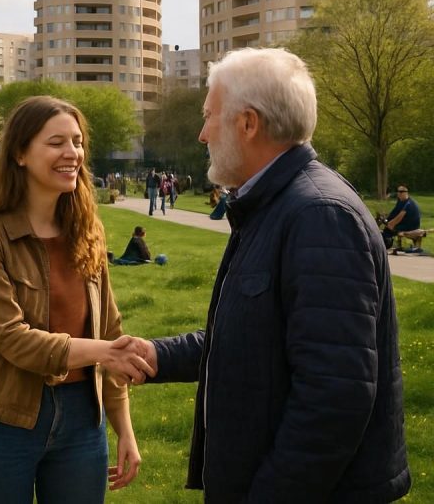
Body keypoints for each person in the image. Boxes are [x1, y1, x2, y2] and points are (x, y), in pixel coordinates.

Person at [129, 48, 410, 501]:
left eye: (209, 117)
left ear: (248, 123)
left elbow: (333, 400)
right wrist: (157, 355)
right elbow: (257, 338)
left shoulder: (318, 214)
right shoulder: (274, 205)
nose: (202, 134)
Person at [0, 95, 153, 504]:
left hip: (83, 421)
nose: (72, 153)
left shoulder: (86, 229)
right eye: (56, 142)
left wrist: (124, 429)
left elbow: (109, 330)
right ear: (20, 154)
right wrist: (105, 352)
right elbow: (11, 338)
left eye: (78, 142)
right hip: (4, 422)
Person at [382, 184, 421, 250]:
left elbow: (399, 217)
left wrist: (390, 224)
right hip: (404, 223)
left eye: (401, 192)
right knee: (387, 226)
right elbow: (394, 212)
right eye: (398, 191)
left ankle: (384, 244)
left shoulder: (408, 204)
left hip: (411, 226)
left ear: (406, 192)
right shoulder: (401, 201)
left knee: (387, 231)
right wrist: (386, 219)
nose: (399, 193)